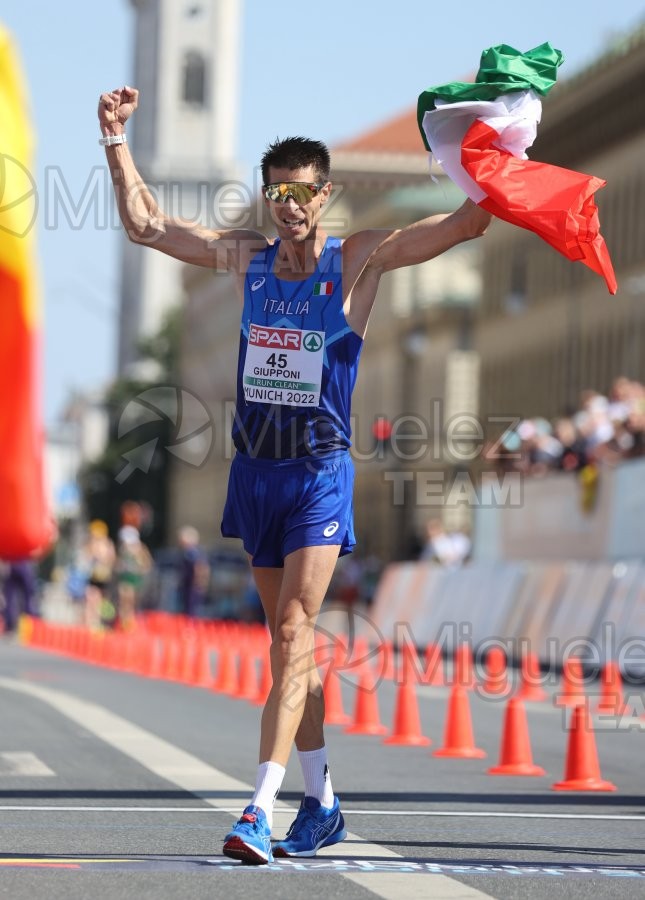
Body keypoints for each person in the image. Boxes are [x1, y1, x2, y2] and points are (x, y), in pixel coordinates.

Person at [98, 85, 491, 865]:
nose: (288, 205)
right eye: (277, 191)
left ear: (325, 194)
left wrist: (489, 161)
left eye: (302, 192)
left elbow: (462, 224)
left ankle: (257, 809)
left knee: (291, 633)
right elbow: (146, 226)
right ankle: (324, 802)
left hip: (317, 472)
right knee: (293, 652)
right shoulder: (244, 258)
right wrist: (114, 140)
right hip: (256, 474)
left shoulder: (360, 258)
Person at [115, 525, 152, 631]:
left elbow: (146, 564)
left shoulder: (140, 550)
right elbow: (117, 564)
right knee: (123, 602)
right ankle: (124, 623)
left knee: (132, 603)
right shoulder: (123, 550)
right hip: (125, 580)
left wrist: (137, 568)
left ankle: (130, 624)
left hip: (135, 580)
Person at [176, 525, 210, 618]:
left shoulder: (191, 552)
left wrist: (199, 581)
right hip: (191, 584)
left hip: (191, 584)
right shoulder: (197, 551)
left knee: (190, 609)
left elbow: (199, 567)